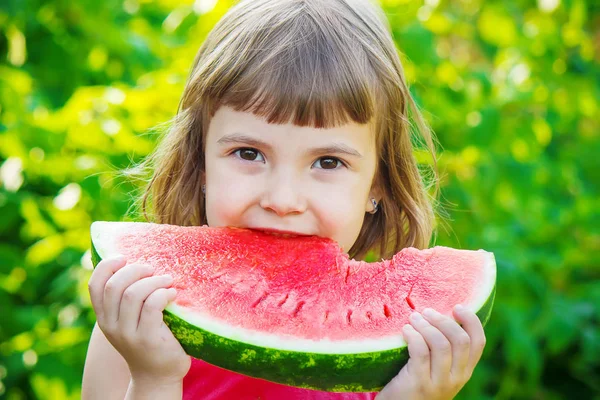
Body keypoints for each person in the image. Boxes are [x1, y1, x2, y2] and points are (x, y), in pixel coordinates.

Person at [82, 0, 487, 399]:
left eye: (328, 161)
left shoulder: (397, 352)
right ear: (200, 164)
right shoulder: (135, 323)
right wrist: (154, 379)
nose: (283, 199)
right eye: (248, 154)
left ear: (377, 184)